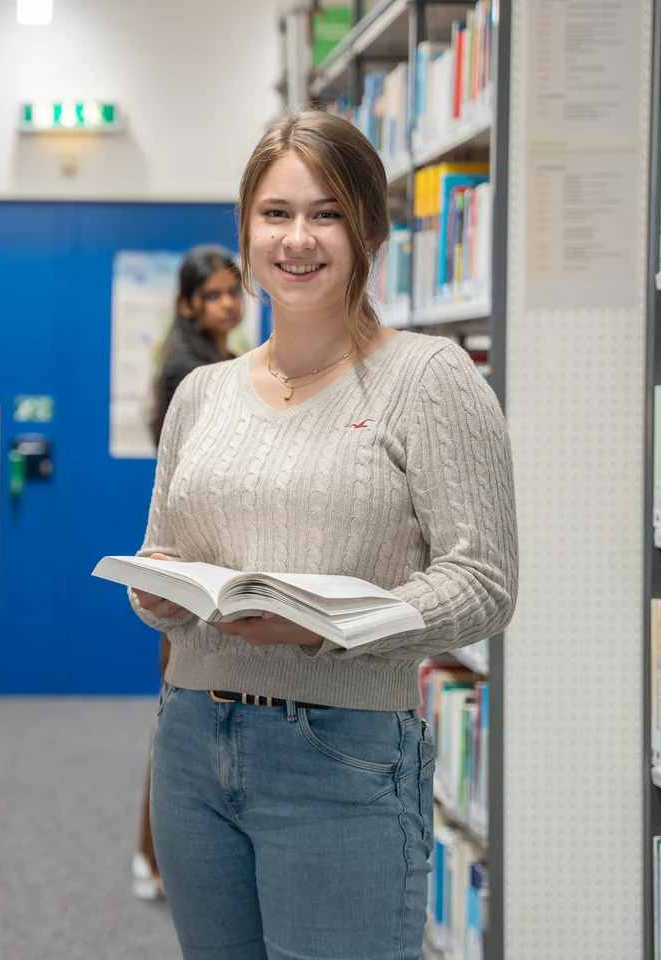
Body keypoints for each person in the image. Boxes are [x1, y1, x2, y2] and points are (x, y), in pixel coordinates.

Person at [130, 110, 517, 960]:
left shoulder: (428, 378)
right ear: (245, 231)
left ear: (370, 230)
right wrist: (157, 590)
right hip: (192, 740)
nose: (297, 239)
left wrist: (333, 622)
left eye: (327, 212)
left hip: (341, 753)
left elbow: (484, 582)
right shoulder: (202, 392)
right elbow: (164, 550)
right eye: (275, 213)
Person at [134, 245, 244, 902]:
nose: (228, 304)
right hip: (196, 564)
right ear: (187, 304)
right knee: (180, 714)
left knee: (188, 713)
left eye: (234, 291)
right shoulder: (189, 371)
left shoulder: (225, 362)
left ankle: (160, 855)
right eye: (214, 295)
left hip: (213, 565)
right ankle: (153, 857)